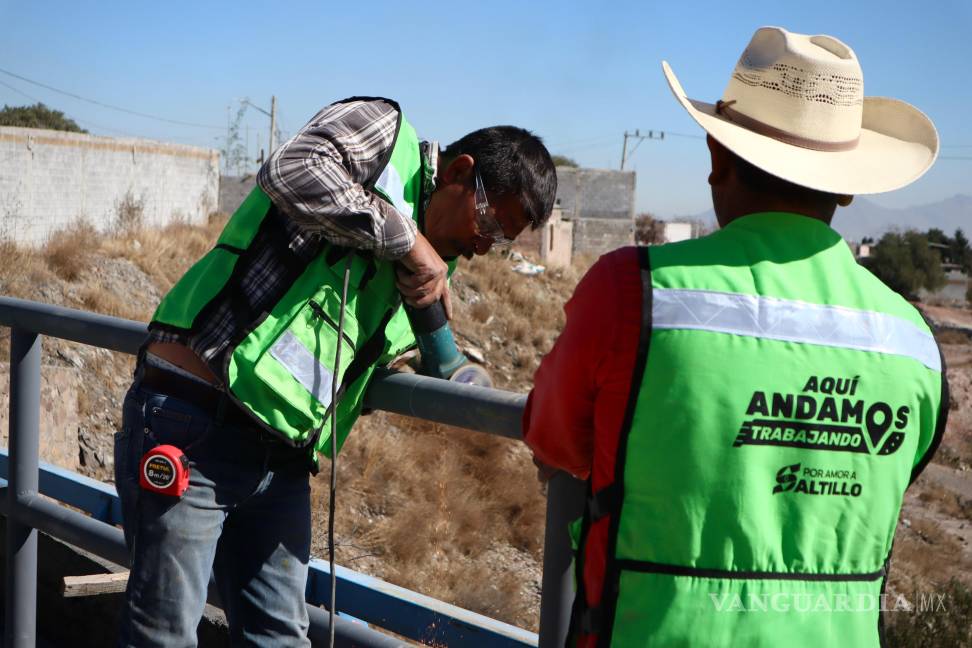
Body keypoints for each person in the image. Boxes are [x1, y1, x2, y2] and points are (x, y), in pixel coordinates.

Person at [523, 27, 947, 647]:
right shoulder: (912, 341)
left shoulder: (630, 292)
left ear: (717, 157)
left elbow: (554, 438)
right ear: (850, 185)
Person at [114, 97, 557, 647]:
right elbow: (292, 171)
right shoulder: (383, 133)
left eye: (502, 240)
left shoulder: (433, 272)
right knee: (164, 635)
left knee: (280, 638)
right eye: (490, 221)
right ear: (460, 173)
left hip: (282, 460)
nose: (483, 244)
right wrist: (406, 239)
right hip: (195, 419)